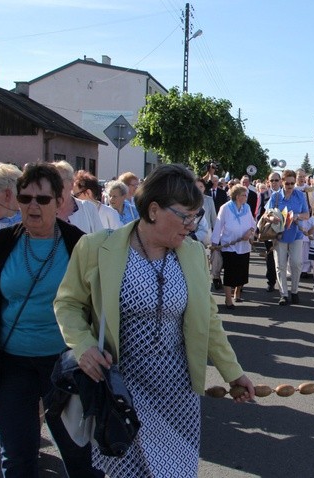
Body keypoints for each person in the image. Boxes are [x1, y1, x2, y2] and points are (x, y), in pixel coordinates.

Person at [54, 163, 255, 477]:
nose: (192, 225)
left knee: (175, 472)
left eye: (196, 216)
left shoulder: (192, 254)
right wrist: (83, 346)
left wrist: (233, 373)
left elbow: (209, 320)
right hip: (122, 392)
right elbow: (67, 304)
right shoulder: (96, 248)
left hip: (178, 393)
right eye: (185, 216)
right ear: (153, 210)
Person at [0, 162, 100, 477]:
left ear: (60, 201)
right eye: (25, 199)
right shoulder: (3, 242)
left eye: (42, 200)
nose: (32, 206)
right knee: (17, 460)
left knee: (79, 461)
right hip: (11, 364)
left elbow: (98, 306)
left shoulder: (78, 244)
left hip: (64, 366)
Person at [258, 169, 309, 305]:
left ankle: (295, 291)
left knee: (296, 263)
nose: (290, 186)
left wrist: (297, 216)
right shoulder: (275, 197)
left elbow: (307, 214)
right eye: (287, 183)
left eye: (292, 183)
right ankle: (284, 294)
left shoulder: (300, 196)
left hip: (296, 233)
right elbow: (266, 214)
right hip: (279, 235)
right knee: (280, 265)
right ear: (282, 182)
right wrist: (272, 218)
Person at [211, 185, 256, 309]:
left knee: (242, 272)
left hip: (244, 246)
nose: (246, 197)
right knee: (230, 273)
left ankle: (237, 293)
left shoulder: (247, 208)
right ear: (237, 197)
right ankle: (228, 299)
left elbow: (253, 224)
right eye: (244, 195)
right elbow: (219, 225)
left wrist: (250, 232)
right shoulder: (225, 208)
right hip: (229, 246)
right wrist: (214, 244)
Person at [53, 161, 103, 234]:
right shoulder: (43, 210)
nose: (54, 185)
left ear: (71, 184)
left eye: (58, 181)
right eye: (50, 181)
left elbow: (100, 239)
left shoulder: (88, 208)